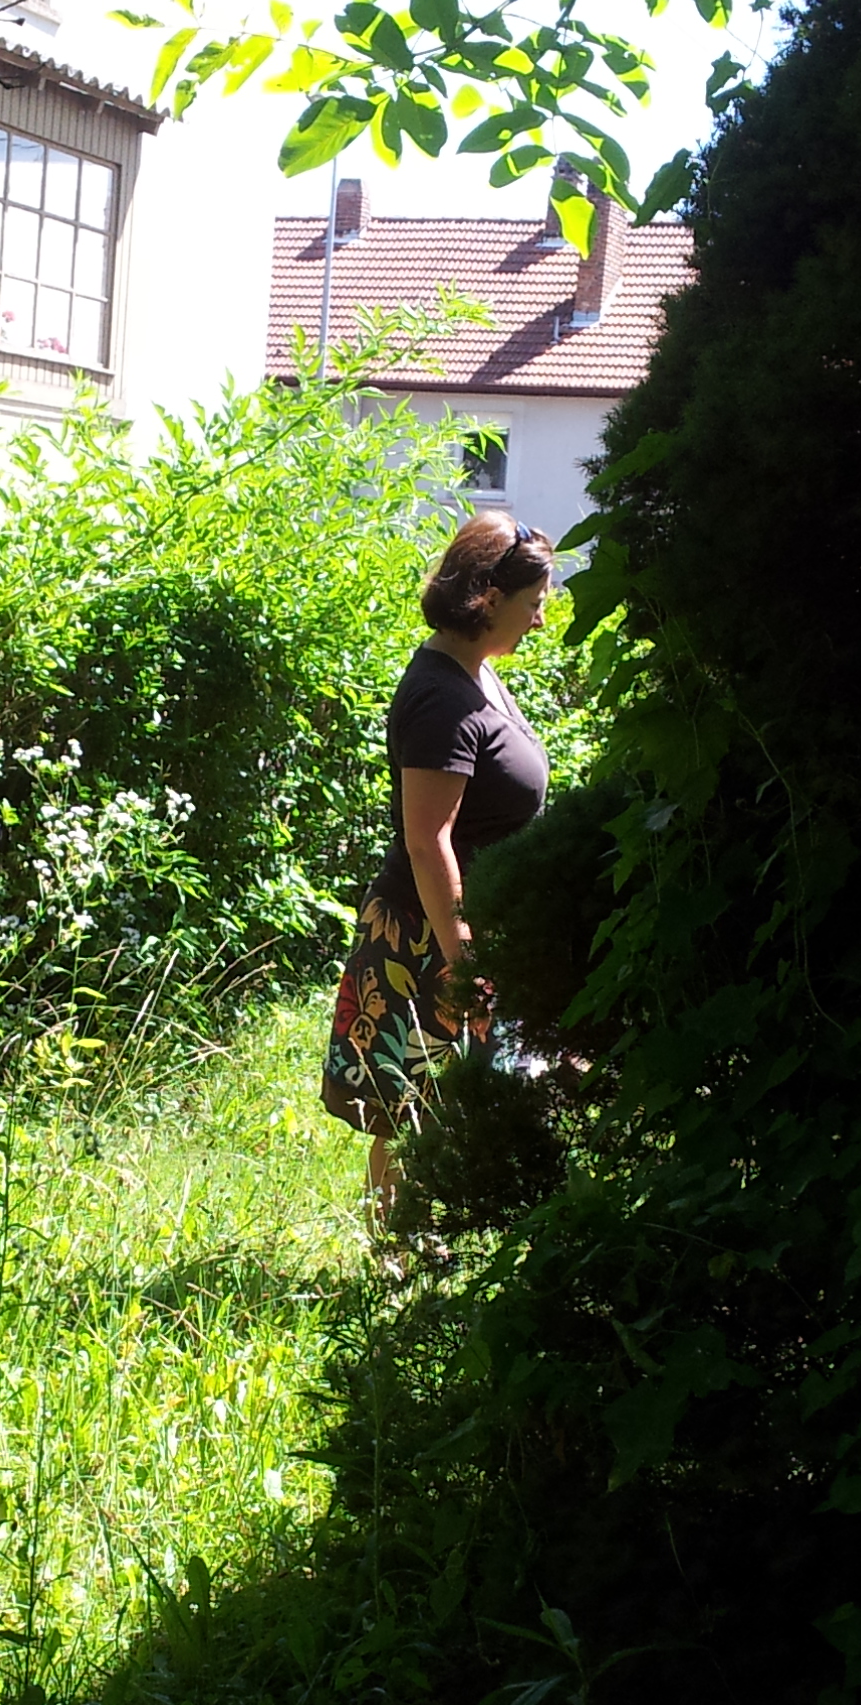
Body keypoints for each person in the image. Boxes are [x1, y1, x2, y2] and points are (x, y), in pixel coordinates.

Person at [322, 511, 554, 1218]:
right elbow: (428, 840)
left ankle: (444, 1241)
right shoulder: (439, 697)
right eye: (534, 603)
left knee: (463, 1104)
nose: (540, 620)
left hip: (466, 932)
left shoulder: (476, 673)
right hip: (428, 939)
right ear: (490, 598)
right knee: (410, 1113)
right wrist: (463, 959)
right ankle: (396, 1248)